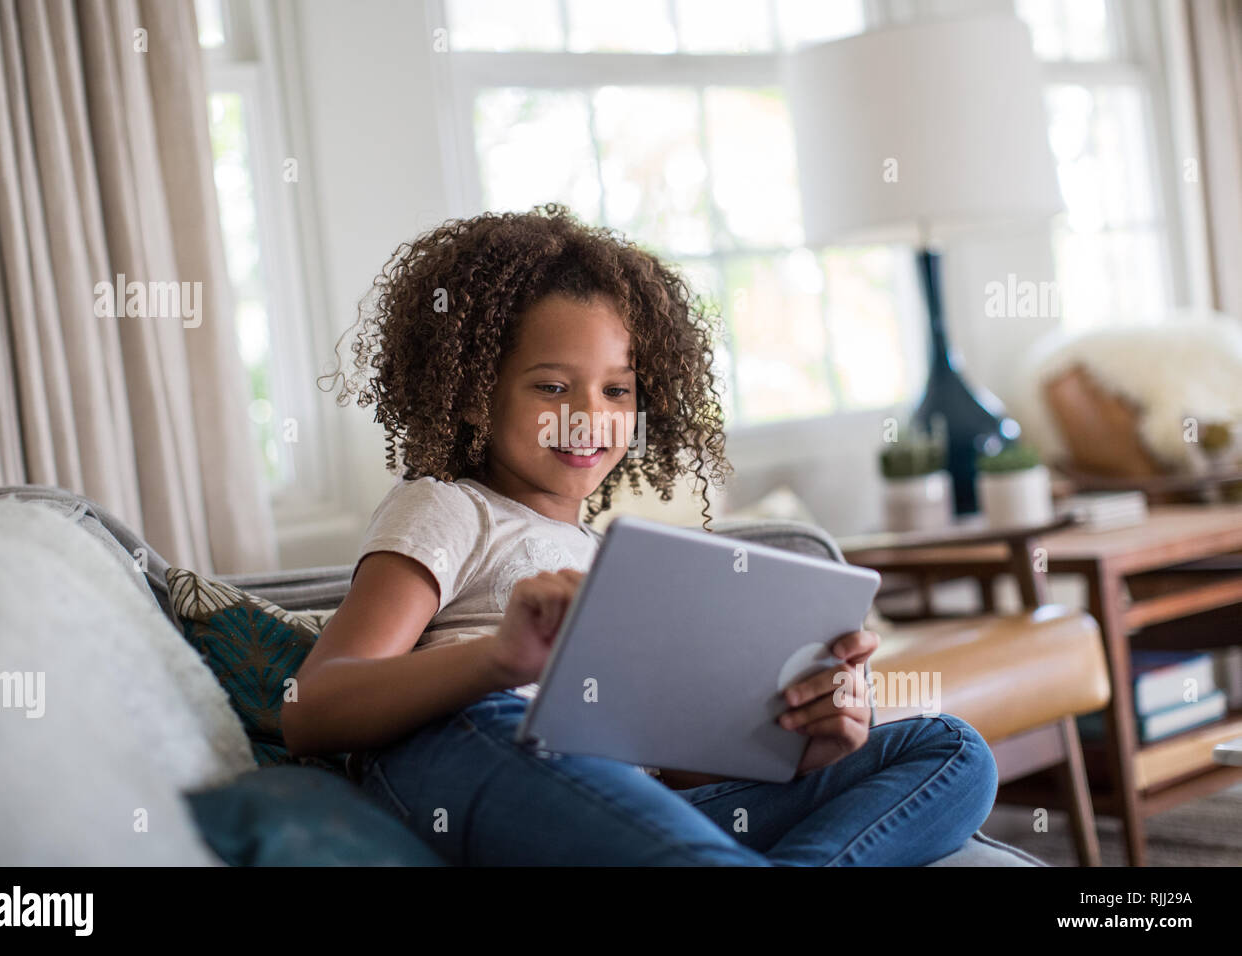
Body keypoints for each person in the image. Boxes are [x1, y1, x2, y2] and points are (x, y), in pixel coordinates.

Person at [282, 202, 998, 865]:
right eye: (552, 387)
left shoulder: (614, 559)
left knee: (952, 749)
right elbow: (312, 710)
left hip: (633, 804)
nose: (590, 417)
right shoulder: (446, 506)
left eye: (617, 391)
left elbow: (670, 768)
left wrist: (807, 739)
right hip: (479, 748)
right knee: (517, 735)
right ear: (475, 394)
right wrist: (502, 660)